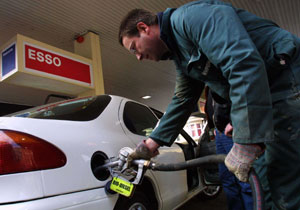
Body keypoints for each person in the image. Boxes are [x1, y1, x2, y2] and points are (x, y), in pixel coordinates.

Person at [118, 1, 300, 209]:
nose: (139, 57)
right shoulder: (181, 54)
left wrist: (246, 140)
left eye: (135, 49)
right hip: (268, 95)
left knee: (285, 182)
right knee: (265, 183)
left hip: (288, 82)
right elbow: (183, 100)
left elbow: (242, 65)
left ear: (143, 28)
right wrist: (150, 145)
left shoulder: (193, 18)